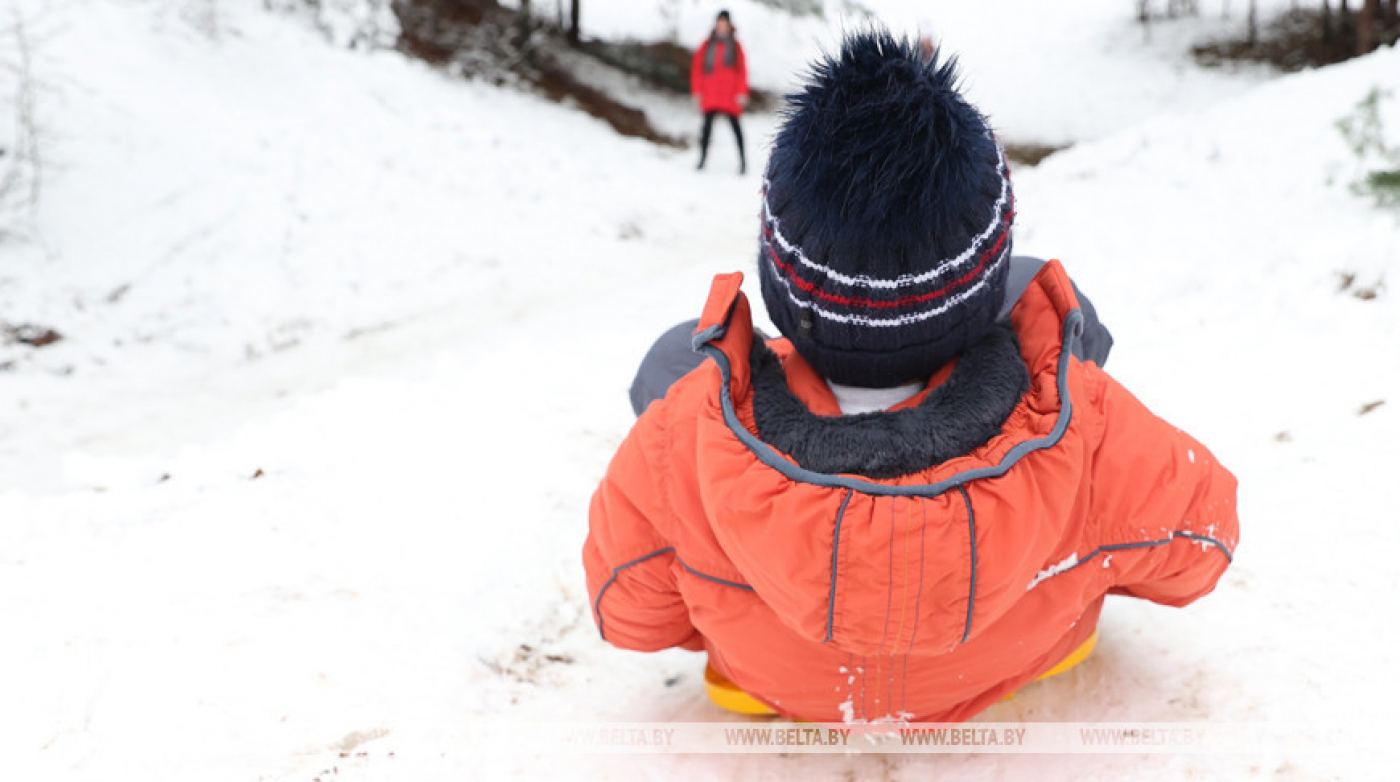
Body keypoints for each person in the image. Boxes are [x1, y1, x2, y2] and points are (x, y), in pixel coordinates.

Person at [585, 30, 1239, 724]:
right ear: (984, 281)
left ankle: (773, 667)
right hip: (1020, 653)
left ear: (782, 277)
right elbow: (1203, 546)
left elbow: (629, 615)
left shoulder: (680, 439)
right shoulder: (1091, 423)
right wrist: (1076, 563)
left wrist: (740, 604)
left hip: (778, 681)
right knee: (1059, 309)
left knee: (678, 359)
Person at [690, 10, 749, 174]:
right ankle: (702, 159)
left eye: (725, 23)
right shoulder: (707, 44)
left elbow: (742, 71)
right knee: (706, 129)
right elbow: (697, 69)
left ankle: (743, 161)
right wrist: (697, 91)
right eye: (719, 23)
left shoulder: (736, 46)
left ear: (729, 25)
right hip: (710, 94)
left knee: (736, 129)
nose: (722, 26)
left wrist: (741, 92)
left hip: (730, 95)